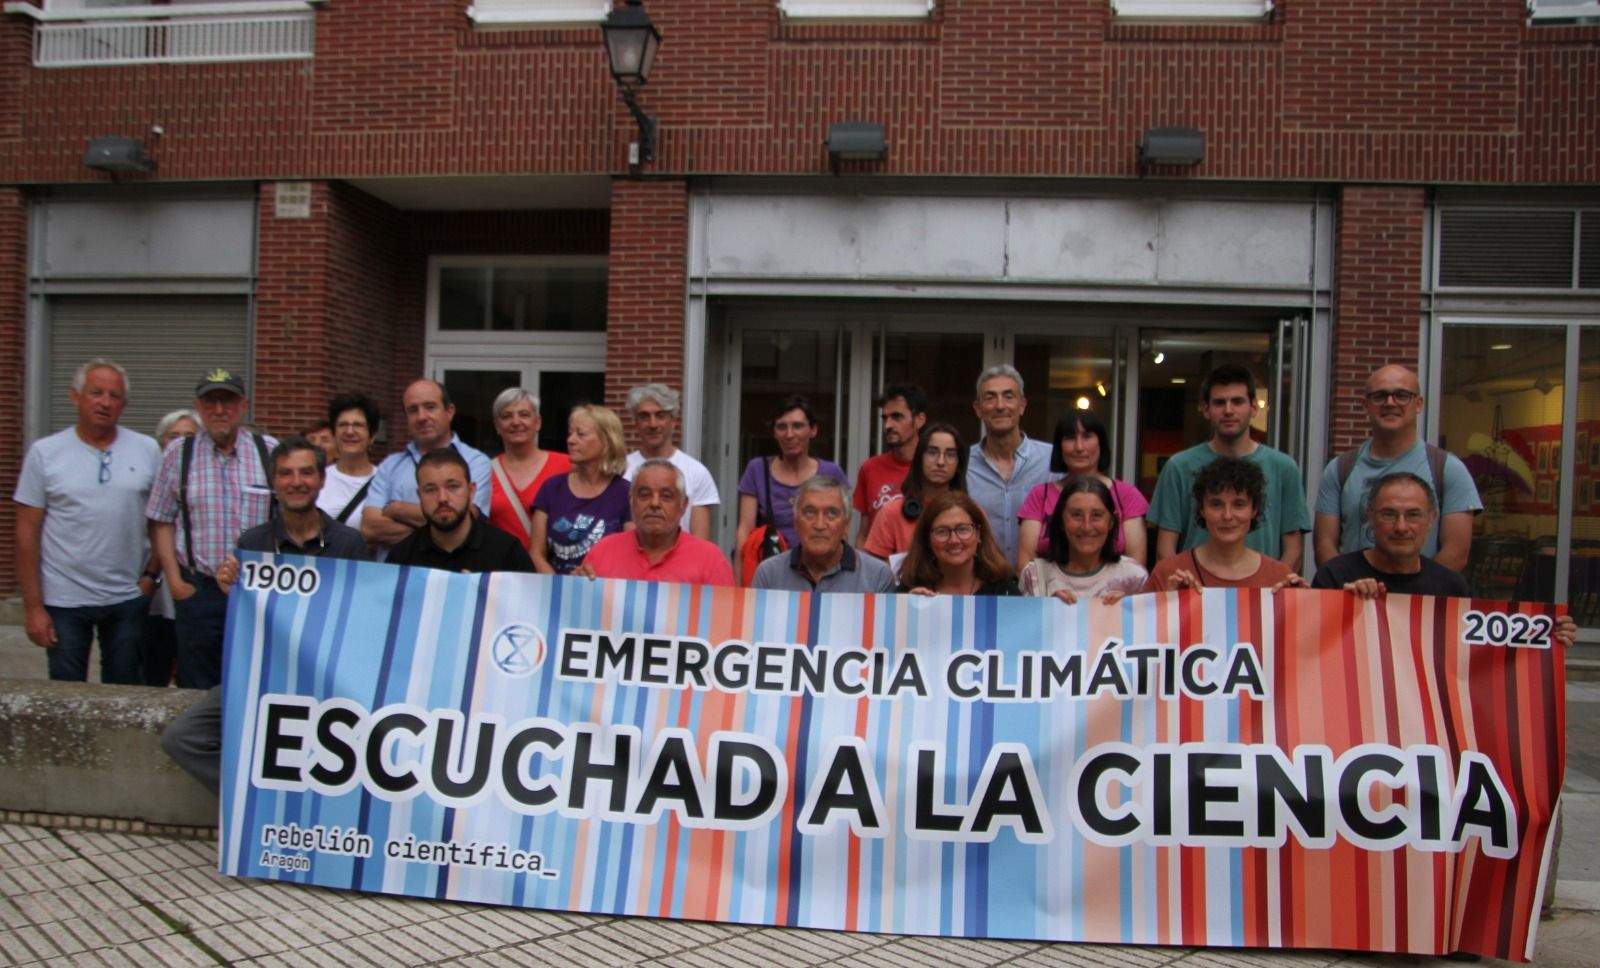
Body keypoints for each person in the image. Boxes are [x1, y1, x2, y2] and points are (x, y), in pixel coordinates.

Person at [161, 437, 368, 796]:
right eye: (286, 474)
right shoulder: (253, 543)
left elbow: (362, 622)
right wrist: (232, 592)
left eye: (306, 472)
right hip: (264, 676)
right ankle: (254, 799)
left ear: (321, 480)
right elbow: (246, 625)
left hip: (327, 683)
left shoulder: (350, 544)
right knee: (182, 737)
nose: (296, 481)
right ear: (274, 483)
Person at [14, 358, 161, 684]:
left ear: (124, 404)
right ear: (75, 396)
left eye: (114, 395)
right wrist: (33, 607)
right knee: (66, 698)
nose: (105, 402)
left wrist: (151, 577)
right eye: (96, 392)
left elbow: (160, 521)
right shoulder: (45, 453)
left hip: (127, 596)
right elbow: (27, 532)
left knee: (126, 695)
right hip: (63, 599)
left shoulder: (147, 449)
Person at [145, 368, 278, 689]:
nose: (220, 410)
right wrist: (175, 582)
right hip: (199, 591)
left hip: (256, 590)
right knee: (198, 686)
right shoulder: (179, 454)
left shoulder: (269, 451)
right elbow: (161, 519)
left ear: (243, 405)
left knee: (255, 681)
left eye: (228, 401)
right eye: (211, 402)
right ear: (199, 407)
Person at [1314, 365, 1480, 572]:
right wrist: (1349, 590)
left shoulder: (1448, 469)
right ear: (1365, 405)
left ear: (1418, 404)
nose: (1390, 403)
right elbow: (1324, 546)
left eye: (1402, 395)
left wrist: (1411, 597)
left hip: (1420, 600)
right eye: (1380, 396)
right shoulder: (1339, 469)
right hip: (1352, 598)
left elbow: (1456, 553)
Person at [1148, 364, 1310, 570]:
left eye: (1237, 401)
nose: (1228, 410)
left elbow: (1293, 550)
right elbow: (1165, 549)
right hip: (1196, 594)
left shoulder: (1284, 468)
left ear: (1254, 407)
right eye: (1219, 402)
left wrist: (1270, 591)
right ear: (1206, 409)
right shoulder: (1178, 467)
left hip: (1262, 596)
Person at [360, 378, 492, 555]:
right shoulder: (390, 466)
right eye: (413, 410)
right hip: (395, 577)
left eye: (430, 407)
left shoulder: (476, 462)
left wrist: (397, 509)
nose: (422, 417)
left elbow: (468, 519)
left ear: (449, 411)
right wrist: (441, 532)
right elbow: (370, 528)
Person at [1144, 456, 1306, 592]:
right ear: (1201, 509)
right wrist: (1168, 603)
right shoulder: (1168, 573)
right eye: (1216, 504)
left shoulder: (1279, 576)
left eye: (1239, 504)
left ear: (1254, 509)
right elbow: (1140, 627)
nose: (1227, 515)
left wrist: (1301, 602)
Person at [1017, 411, 1149, 574]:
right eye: (1070, 438)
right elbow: (1025, 566)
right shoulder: (1039, 495)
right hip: (1050, 596)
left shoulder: (1127, 495)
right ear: (1060, 446)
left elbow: (1137, 568)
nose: (1079, 447)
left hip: (1114, 596)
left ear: (1101, 443)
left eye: (1087, 437)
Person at [1312, 472, 1473, 598]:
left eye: (1413, 515)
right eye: (1389, 514)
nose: (1401, 527)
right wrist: (1345, 602)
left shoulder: (1452, 588)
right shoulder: (1334, 577)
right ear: (1370, 517)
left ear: (1431, 519)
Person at [581, 458, 734, 585]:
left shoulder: (710, 561)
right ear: (631, 501)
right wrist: (576, 586)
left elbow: (723, 619)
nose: (654, 503)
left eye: (666, 496)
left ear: (683, 505)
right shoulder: (602, 553)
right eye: (644, 495)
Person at [389, 448, 536, 573]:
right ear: (419, 496)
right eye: (430, 489)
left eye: (452, 486)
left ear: (471, 491)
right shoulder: (401, 559)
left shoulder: (507, 552)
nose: (442, 498)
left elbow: (529, 605)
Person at [736, 395, 850, 552]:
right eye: (782, 427)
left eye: (797, 426)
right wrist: (739, 575)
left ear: (813, 430)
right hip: (771, 568)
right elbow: (744, 531)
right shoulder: (757, 470)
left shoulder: (831, 473)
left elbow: (842, 529)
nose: (789, 435)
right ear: (774, 433)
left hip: (820, 563)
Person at [966, 365, 1054, 567]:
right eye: (990, 398)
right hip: (980, 587)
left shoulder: (1051, 461)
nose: (1000, 405)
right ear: (978, 409)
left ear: (1022, 405)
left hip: (1040, 586)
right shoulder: (963, 464)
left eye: (1008, 396)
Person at [531, 404, 632, 575]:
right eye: (570, 433)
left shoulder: (625, 493)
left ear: (607, 441)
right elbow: (536, 553)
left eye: (581, 434)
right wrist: (559, 586)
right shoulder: (552, 488)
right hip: (554, 592)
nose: (570, 440)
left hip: (604, 592)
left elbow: (631, 553)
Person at [140, 409, 200, 687]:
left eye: (189, 436)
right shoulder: (146, 477)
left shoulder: (204, 481)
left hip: (191, 589)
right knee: (154, 663)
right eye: (173, 436)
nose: (180, 443)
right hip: (154, 587)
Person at [1019, 475, 1148, 605]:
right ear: (1061, 521)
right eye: (1076, 515)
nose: (1086, 527)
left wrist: (1129, 610)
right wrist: (1047, 606)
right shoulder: (1035, 575)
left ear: (1111, 522)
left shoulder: (1134, 576)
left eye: (1096, 515)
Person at [754, 476, 896, 593]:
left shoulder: (878, 576)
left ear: (846, 525)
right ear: (796, 522)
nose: (820, 525)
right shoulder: (769, 574)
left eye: (831, 513)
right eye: (809, 512)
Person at [622, 384, 718, 539]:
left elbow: (700, 543)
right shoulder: (620, 470)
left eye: (660, 415)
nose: (653, 424)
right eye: (644, 416)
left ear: (674, 421)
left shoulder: (696, 472)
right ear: (636, 422)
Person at [862, 422, 968, 560]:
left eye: (950, 454)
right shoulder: (892, 512)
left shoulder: (971, 513)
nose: (941, 462)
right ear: (919, 458)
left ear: (959, 464)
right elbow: (873, 572)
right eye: (932, 452)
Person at [486, 388, 571, 549]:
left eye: (524, 414)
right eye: (507, 416)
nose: (516, 422)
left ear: (538, 422)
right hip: (505, 570)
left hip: (552, 569)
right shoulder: (485, 472)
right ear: (497, 426)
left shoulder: (567, 466)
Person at [898, 491, 1020, 596]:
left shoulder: (1004, 590)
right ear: (927, 539)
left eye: (963, 529)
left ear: (978, 534)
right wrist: (908, 609)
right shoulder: (910, 589)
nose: (954, 540)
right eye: (942, 532)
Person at [853, 384, 928, 545]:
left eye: (897, 417)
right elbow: (864, 533)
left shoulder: (935, 469)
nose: (888, 425)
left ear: (920, 420)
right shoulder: (870, 468)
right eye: (885, 418)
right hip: (878, 566)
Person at [315, 393, 380, 528]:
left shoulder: (384, 482)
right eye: (343, 425)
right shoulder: (317, 479)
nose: (350, 431)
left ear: (372, 436)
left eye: (358, 425)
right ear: (333, 433)